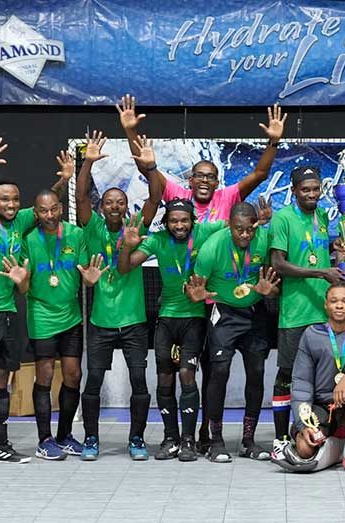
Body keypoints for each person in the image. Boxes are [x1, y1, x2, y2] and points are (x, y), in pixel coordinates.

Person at [0, 137, 74, 469]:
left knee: (1, 378)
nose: (10, 204)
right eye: (4, 199)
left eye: (15, 199)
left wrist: (63, 179)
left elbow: (47, 205)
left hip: (8, 311)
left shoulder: (20, 222)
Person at [117, 198, 222, 461]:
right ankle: (170, 438)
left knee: (187, 374)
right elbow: (125, 267)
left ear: (192, 221)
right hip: (166, 319)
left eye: (184, 220)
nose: (179, 225)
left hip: (194, 318)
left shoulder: (205, 231)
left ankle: (189, 441)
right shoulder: (156, 240)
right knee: (164, 377)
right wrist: (127, 247)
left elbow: (234, 227)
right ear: (166, 222)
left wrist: (262, 223)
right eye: (173, 220)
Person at [76, 130, 159, 461]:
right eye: (108, 202)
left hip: (135, 321)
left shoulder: (135, 227)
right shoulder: (94, 227)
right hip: (100, 322)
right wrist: (88, 163)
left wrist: (150, 168)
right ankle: (92, 439)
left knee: (139, 382)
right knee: (93, 380)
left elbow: (154, 199)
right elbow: (81, 198)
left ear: (126, 207)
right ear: (103, 207)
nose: (114, 207)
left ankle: (136, 439)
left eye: (119, 202)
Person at [186, 202, 280, 463]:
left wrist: (267, 292)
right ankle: (215, 441)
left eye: (249, 229)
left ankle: (248, 440)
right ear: (229, 225)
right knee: (219, 371)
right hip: (224, 313)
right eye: (239, 230)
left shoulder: (266, 238)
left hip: (254, 312)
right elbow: (195, 288)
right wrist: (197, 295)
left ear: (256, 225)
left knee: (257, 372)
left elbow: (275, 287)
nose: (245, 235)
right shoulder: (212, 247)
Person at [269, 166, 345, 456]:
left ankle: (313, 432)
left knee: (322, 379)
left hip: (323, 314)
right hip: (295, 313)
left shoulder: (324, 216)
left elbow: (322, 250)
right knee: (286, 376)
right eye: (306, 189)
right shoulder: (283, 218)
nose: (312, 194)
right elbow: (278, 264)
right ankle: (279, 439)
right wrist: (319, 273)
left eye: (316, 189)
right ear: (294, 190)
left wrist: (339, 250)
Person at [117, 94, 287, 222]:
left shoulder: (228, 197)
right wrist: (130, 131)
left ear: (217, 183)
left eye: (210, 177)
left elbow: (260, 174)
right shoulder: (178, 195)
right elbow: (145, 168)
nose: (204, 180)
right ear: (190, 180)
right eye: (199, 175)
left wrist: (273, 142)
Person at [17, 190, 89, 460]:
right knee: (45, 377)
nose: (49, 215)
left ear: (61, 208)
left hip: (70, 316)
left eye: (53, 209)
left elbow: (85, 273)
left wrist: (91, 280)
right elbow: (23, 288)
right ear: (35, 213)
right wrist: (22, 280)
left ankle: (64, 435)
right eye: (43, 211)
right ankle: (44, 440)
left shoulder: (75, 234)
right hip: (42, 315)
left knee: (73, 375)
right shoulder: (28, 239)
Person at [282, 283, 345, 466]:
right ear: (326, 305)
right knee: (305, 449)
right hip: (323, 407)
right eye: (334, 301)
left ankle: (341, 443)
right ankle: (336, 444)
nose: (339, 305)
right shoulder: (311, 334)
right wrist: (303, 424)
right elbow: (301, 382)